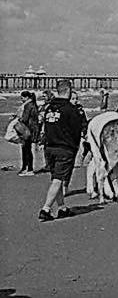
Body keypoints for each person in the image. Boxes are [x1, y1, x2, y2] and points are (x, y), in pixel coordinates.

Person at [38, 79, 85, 221]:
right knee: (59, 179)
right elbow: (77, 129)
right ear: (69, 90)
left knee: (55, 178)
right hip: (65, 148)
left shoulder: (49, 108)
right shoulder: (71, 109)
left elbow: (45, 127)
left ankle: (62, 207)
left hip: (49, 147)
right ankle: (46, 209)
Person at [17, 91, 40, 176]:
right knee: (28, 149)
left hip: (27, 130)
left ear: (26, 97)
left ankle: (27, 168)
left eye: (22, 97)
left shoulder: (28, 105)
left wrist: (18, 119)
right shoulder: (34, 104)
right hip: (32, 129)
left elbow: (25, 119)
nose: (21, 99)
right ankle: (28, 168)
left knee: (25, 149)